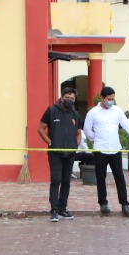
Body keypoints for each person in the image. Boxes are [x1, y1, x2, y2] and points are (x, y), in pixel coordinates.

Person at [82, 87, 129, 217]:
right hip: (100, 150)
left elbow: (126, 124)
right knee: (101, 178)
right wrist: (96, 139)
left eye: (113, 99)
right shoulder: (93, 113)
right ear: (102, 98)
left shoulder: (117, 111)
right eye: (109, 99)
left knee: (119, 177)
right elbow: (87, 129)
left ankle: (124, 204)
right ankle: (103, 203)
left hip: (115, 149)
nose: (111, 101)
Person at [38, 85, 81, 223]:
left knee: (66, 181)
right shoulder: (51, 111)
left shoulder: (75, 114)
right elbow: (40, 129)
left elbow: (79, 132)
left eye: (72, 98)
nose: (69, 100)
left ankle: (63, 209)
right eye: (67, 97)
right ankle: (54, 210)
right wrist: (50, 143)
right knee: (56, 180)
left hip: (70, 153)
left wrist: (76, 144)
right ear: (62, 97)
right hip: (55, 153)